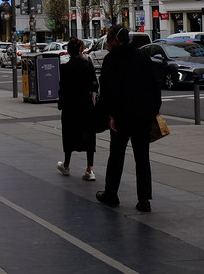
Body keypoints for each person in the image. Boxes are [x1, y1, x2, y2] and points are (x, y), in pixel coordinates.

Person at [96, 25, 161, 213]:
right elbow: (154, 85)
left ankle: (111, 193)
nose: (107, 43)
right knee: (142, 157)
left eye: (108, 39)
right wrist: (153, 111)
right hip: (142, 116)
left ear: (116, 40)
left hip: (121, 117)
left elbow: (107, 92)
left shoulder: (111, 60)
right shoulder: (142, 56)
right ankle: (144, 199)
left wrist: (108, 116)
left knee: (116, 155)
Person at [56, 38, 98, 181]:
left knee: (69, 135)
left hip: (70, 107)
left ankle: (66, 164)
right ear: (80, 50)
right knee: (88, 135)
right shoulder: (88, 64)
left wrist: (61, 104)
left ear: (69, 51)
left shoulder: (66, 68)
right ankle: (90, 169)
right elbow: (94, 85)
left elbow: (63, 89)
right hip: (86, 106)